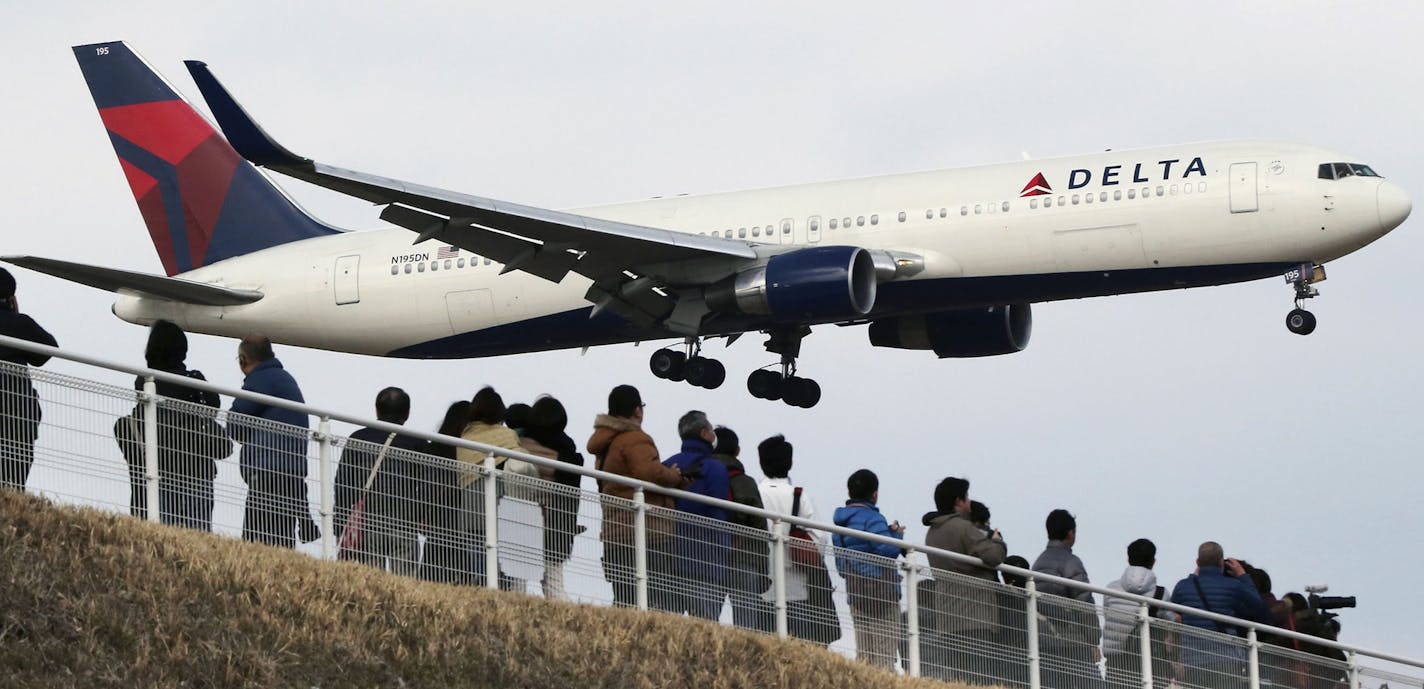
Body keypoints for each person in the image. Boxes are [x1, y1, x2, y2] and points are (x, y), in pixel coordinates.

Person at [116, 320, 228, 529]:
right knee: (197, 535)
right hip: (196, 471)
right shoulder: (193, 381)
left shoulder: (145, 382)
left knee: (164, 531)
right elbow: (214, 406)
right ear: (182, 350)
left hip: (159, 470)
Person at [587, 384, 687, 610]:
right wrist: (675, 475)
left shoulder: (606, 442)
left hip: (615, 530)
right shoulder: (634, 438)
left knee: (624, 598)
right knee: (656, 600)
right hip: (646, 532)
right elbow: (651, 472)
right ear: (637, 411)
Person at [228, 335, 318, 548]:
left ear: (243, 359)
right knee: (282, 540)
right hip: (291, 474)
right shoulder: (284, 378)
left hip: (267, 471)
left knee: (255, 541)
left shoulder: (260, 380)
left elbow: (235, 424)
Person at [756, 434, 839, 647]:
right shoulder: (799, 495)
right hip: (798, 586)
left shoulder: (756, 493)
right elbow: (820, 539)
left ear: (761, 462)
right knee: (801, 648)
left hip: (761, 582)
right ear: (790, 463)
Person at [923, 477, 1007, 683]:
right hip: (975, 615)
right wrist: (997, 541)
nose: (969, 502)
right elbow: (994, 556)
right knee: (979, 679)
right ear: (958, 501)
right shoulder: (962, 527)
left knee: (959, 680)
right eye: (967, 497)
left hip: (947, 617)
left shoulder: (932, 532)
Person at [334, 387, 425, 576]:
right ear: (407, 413)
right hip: (404, 522)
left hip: (368, 522)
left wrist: (340, 521)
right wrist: (420, 516)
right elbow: (427, 485)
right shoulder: (417, 443)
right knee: (405, 584)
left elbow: (343, 483)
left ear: (376, 410)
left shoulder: (358, 438)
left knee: (371, 584)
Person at [1169, 542, 1275, 689]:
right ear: (1221, 562)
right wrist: (1243, 576)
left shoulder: (1183, 586)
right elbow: (1262, 613)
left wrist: (1193, 577)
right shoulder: (1234, 587)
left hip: (1192, 662)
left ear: (1197, 562)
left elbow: (1173, 614)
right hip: (1225, 661)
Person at [832, 468, 905, 669]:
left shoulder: (839, 524)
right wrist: (897, 535)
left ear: (849, 493)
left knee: (864, 656)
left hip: (856, 592)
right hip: (883, 593)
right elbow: (888, 549)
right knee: (884, 655)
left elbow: (840, 567)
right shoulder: (873, 518)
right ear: (875, 494)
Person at [456, 386, 528, 590]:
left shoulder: (464, 439)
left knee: (480, 575)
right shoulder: (508, 436)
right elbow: (522, 466)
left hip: (472, 511)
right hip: (504, 509)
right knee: (505, 577)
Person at [663, 410, 732, 620]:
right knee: (705, 626)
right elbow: (719, 503)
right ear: (704, 434)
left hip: (670, 556)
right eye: (712, 431)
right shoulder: (717, 469)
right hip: (708, 559)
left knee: (669, 626)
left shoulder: (667, 465)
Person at [522, 395, 584, 601]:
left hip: (520, 518)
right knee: (554, 583)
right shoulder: (568, 454)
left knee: (517, 579)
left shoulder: (520, 445)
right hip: (556, 523)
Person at [1032, 509, 1102, 689]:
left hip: (1045, 641)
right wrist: (1093, 640)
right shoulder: (1072, 562)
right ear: (1070, 534)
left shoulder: (1038, 563)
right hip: (1073, 642)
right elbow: (1084, 603)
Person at [0, 267, 57, 491]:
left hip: (16, 417)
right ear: (11, 297)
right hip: (17, 417)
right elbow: (47, 350)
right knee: (12, 482)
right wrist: (14, 316)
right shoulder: (20, 324)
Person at [711, 425, 771, 631]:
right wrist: (764, 572)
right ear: (737, 451)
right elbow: (760, 527)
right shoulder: (746, 482)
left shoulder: (702, 476)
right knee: (746, 625)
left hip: (710, 556)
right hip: (745, 558)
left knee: (706, 620)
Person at [1103, 539, 1176, 689]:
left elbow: (1107, 614)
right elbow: (1170, 623)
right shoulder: (1161, 594)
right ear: (1153, 562)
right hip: (1149, 664)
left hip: (1116, 662)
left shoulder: (1110, 589)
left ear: (1128, 559)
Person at [419, 400, 469, 584]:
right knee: (466, 579)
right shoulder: (475, 452)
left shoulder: (435, 448)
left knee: (430, 578)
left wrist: (421, 514)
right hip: (468, 521)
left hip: (438, 520)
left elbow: (427, 486)